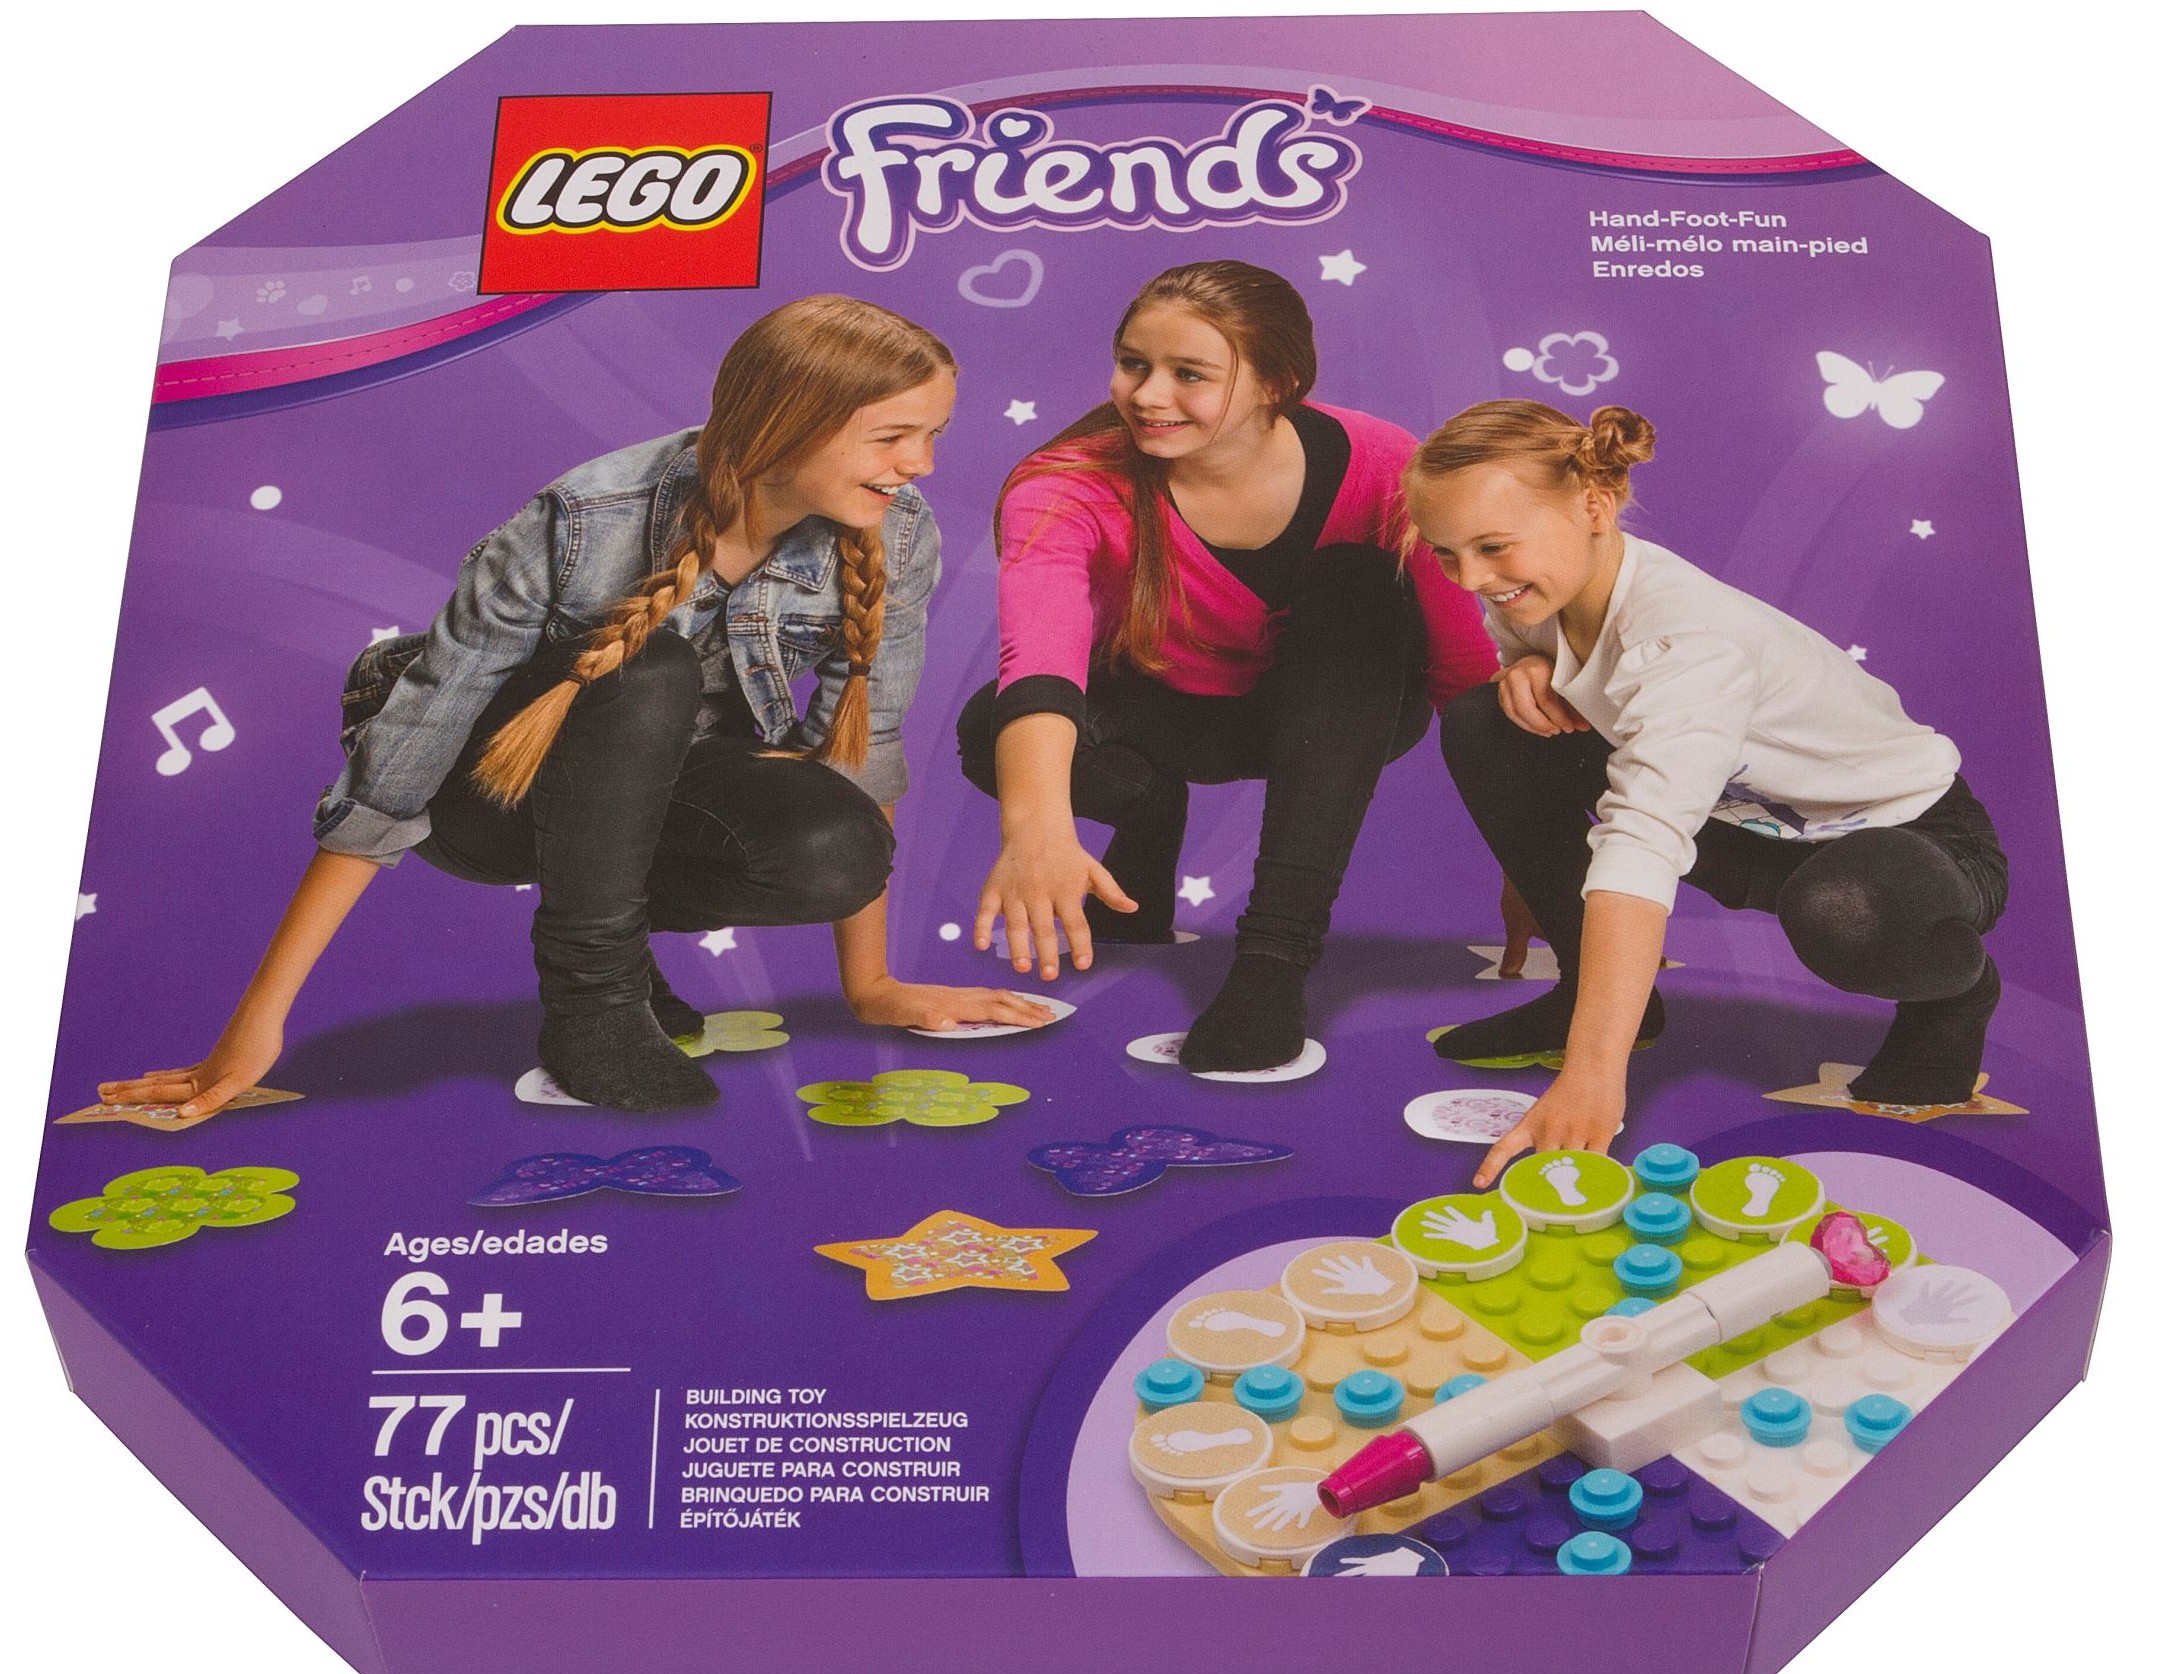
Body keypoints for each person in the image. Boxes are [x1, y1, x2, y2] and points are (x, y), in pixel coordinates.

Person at [101, 294, 1049, 1118]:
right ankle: (591, 1004)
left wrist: (872, 986)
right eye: (893, 436)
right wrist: (257, 1021)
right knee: (647, 667)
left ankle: (618, 953)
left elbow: (859, 749)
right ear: (787, 424)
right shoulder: (583, 521)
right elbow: (397, 771)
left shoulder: (894, 533)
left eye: (933, 434)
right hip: (485, 794)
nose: (921, 464)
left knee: (840, 847)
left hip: (646, 793)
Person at [1404, 400, 2008, 1185]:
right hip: (1745, 827)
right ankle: (1592, 993)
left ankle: (1958, 992)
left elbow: (1642, 840)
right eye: (1445, 554)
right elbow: (1585, 735)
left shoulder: (1682, 639)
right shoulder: (1535, 591)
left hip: (1911, 844)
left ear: (1594, 506)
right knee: (1486, 719)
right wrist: (1524, 671)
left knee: (1840, 908)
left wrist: (1592, 1077)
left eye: (1491, 547)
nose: (1470, 579)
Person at [957, 260, 1495, 1072]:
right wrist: (1035, 829)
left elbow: (1462, 670)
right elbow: (1040, 657)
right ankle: (1149, 820)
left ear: (1277, 383)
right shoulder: (1065, 483)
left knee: (1356, 583)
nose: (1146, 395)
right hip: (1163, 712)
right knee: (987, 729)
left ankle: (1272, 962)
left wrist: (1528, 858)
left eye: (1189, 374)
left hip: (1339, 717)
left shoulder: (1386, 462)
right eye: (1133, 364)